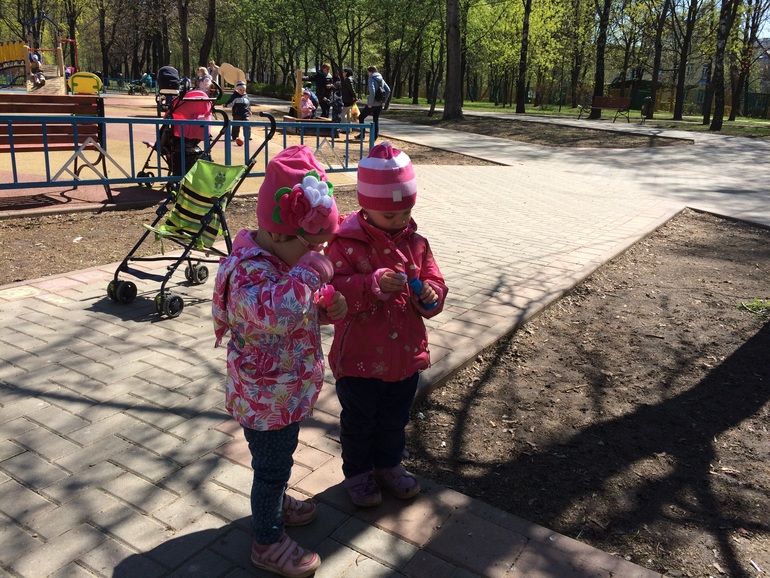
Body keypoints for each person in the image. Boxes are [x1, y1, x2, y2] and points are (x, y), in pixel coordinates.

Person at [212, 145, 348, 577]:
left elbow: (296, 307)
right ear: (280, 236)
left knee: (278, 461)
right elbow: (274, 313)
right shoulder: (249, 271)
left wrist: (324, 307)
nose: (319, 255)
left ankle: (274, 499)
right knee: (270, 468)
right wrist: (310, 273)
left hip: (282, 391)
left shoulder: (280, 261)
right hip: (264, 398)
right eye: (313, 248)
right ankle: (266, 541)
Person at [324, 142, 448, 507]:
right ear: (366, 206)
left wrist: (430, 294)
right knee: (359, 420)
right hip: (359, 357)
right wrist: (370, 284)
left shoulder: (417, 244)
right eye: (391, 215)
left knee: (395, 417)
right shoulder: (344, 244)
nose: (400, 221)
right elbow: (331, 290)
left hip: (404, 355)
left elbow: (434, 282)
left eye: (406, 212)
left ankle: (388, 465)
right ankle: (359, 472)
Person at [357, 65, 391, 141]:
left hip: (373, 104)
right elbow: (388, 90)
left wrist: (370, 103)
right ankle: (374, 137)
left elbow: (372, 92)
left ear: (370, 72)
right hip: (380, 103)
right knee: (376, 119)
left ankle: (362, 134)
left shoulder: (371, 79)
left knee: (361, 117)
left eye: (368, 72)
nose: (368, 74)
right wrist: (384, 102)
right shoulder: (381, 79)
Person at [224, 80, 251, 146]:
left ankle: (247, 136)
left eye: (244, 90)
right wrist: (226, 105)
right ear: (237, 89)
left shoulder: (246, 96)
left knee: (247, 125)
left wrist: (249, 110)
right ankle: (234, 136)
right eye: (240, 90)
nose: (242, 91)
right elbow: (231, 102)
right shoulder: (235, 96)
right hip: (237, 113)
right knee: (236, 126)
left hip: (245, 113)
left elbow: (248, 104)